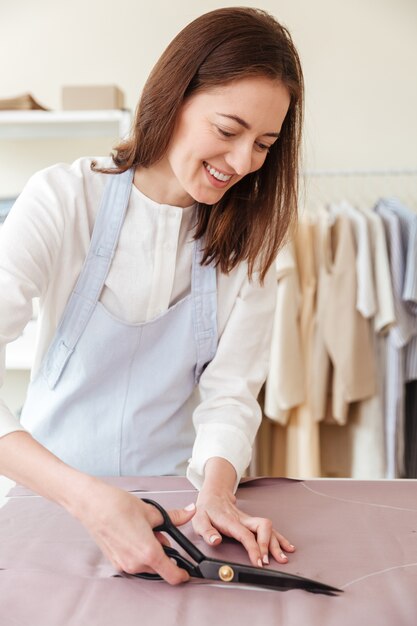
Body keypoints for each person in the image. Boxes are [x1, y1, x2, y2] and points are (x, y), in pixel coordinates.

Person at [0, 7, 303, 584]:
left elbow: (231, 394)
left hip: (173, 515)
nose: (243, 163)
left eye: (264, 143)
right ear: (173, 97)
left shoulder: (254, 239)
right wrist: (87, 498)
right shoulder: (62, 201)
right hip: (51, 501)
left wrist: (218, 494)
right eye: (227, 130)